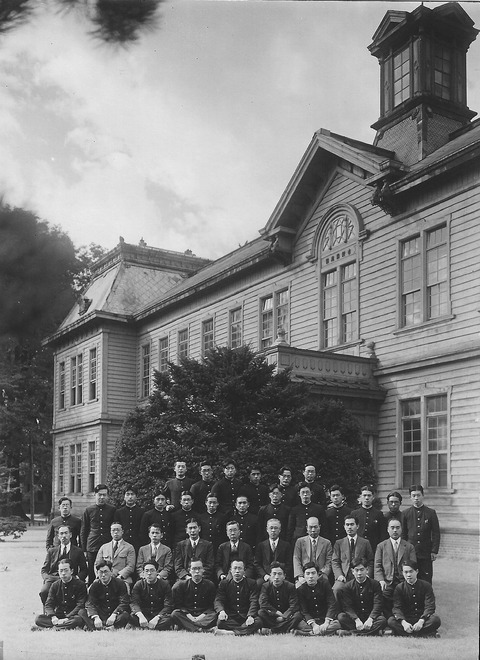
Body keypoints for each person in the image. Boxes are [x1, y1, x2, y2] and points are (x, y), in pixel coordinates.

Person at [374, 518, 416, 618]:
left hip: (403, 581)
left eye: (397, 528)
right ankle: (388, 620)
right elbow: (377, 565)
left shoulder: (409, 547)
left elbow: (413, 566)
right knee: (382, 595)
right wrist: (380, 580)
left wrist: (408, 580)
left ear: (401, 529)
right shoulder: (381, 546)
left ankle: (404, 619)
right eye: (392, 528)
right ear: (387, 529)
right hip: (387, 581)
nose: (395, 530)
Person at [388, 561, 441, 637]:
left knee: (435, 620)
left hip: (422, 619)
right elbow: (397, 608)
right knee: (391, 621)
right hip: (407, 619)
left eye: (411, 571)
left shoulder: (426, 586)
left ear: (417, 571)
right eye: (406, 572)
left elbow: (430, 606)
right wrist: (404, 623)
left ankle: (407, 634)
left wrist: (421, 621)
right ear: (402, 573)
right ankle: (424, 634)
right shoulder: (399, 588)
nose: (408, 575)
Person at [337, 557, 387, 636]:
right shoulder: (348, 586)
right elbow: (347, 606)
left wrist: (370, 619)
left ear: (367, 570)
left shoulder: (375, 584)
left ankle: (350, 633)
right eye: (356, 570)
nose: (359, 573)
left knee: (382, 620)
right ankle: (375, 632)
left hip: (369, 617)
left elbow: (378, 603)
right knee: (341, 617)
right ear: (352, 571)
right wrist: (356, 620)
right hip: (356, 618)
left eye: (362, 570)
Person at [34, 559, 89, 630]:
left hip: (73, 616)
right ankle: (60, 627)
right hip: (58, 616)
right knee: (38, 619)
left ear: (71, 571)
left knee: (78, 620)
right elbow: (48, 604)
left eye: (66, 570)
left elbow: (80, 605)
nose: (63, 573)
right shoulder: (55, 585)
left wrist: (67, 618)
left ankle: (52, 628)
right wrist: (53, 617)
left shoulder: (80, 585)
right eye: (61, 571)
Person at [40, 524, 88, 605]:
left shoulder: (78, 551)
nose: (64, 536)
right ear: (58, 536)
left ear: (71, 535)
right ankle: (50, 610)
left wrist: (77, 577)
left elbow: (84, 570)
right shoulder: (52, 551)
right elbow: (44, 570)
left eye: (66, 533)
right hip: (54, 579)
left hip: (71, 579)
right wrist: (47, 578)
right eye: (61, 534)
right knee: (44, 591)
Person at [402, 485, 440, 583]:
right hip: (411, 552)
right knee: (411, 578)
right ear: (410, 497)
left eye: (418, 495)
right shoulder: (406, 513)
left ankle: (426, 598)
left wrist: (434, 551)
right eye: (413, 495)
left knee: (426, 579)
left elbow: (436, 533)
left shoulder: (430, 513)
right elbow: (403, 534)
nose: (416, 498)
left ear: (423, 496)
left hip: (426, 552)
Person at [214, 559, 261, 635]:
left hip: (245, 616)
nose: (237, 571)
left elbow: (254, 601)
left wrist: (250, 616)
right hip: (231, 617)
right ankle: (246, 630)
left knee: (258, 622)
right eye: (235, 568)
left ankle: (231, 632)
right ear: (230, 570)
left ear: (244, 571)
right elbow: (219, 599)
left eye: (240, 568)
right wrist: (221, 611)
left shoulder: (251, 583)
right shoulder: (224, 583)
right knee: (220, 622)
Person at [332, 515, 374, 602]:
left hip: (360, 575)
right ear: (344, 527)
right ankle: (338, 613)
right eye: (347, 525)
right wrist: (339, 575)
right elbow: (335, 561)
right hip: (344, 577)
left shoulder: (365, 542)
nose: (349, 527)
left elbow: (371, 561)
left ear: (357, 526)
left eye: (352, 524)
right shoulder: (339, 543)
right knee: (336, 589)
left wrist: (367, 574)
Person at [81, 483, 116, 585]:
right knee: (92, 572)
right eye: (99, 494)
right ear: (95, 495)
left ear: (107, 496)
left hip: (107, 545)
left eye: (104, 495)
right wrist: (84, 549)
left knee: (107, 570)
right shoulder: (88, 510)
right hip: (93, 545)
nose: (102, 497)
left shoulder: (112, 510)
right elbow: (84, 530)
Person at [171, 558, 217, 632]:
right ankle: (200, 629)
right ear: (189, 570)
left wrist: (201, 616)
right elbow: (179, 605)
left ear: (203, 570)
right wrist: (189, 616)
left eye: (199, 568)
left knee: (215, 615)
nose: (197, 571)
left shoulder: (210, 585)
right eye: (194, 569)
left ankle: (187, 626)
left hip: (203, 616)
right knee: (175, 614)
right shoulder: (181, 585)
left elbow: (211, 606)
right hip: (187, 615)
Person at [295, 562, 340, 636]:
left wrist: (326, 623)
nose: (311, 576)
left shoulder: (325, 584)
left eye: (313, 573)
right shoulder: (301, 589)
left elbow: (331, 604)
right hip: (310, 622)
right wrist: (314, 625)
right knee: (299, 624)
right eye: (308, 574)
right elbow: (304, 611)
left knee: (337, 624)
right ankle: (326, 632)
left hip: (324, 619)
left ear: (318, 574)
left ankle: (309, 634)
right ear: (304, 575)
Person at [258, 562, 302, 634]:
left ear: (284, 576)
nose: (276, 577)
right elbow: (263, 603)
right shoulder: (265, 586)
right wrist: (276, 613)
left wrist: (284, 616)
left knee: (298, 615)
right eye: (274, 574)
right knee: (261, 612)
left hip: (287, 616)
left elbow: (294, 605)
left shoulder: (290, 586)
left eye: (279, 574)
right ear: (270, 575)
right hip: (272, 616)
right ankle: (285, 629)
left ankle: (272, 631)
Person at [85, 560, 130, 629]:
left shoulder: (120, 583)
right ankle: (104, 627)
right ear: (97, 573)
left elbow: (124, 602)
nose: (103, 575)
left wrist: (114, 614)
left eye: (106, 571)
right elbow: (90, 603)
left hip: (114, 614)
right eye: (100, 572)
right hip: (101, 614)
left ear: (111, 571)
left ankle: (111, 626)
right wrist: (96, 617)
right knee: (82, 612)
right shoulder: (95, 585)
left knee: (125, 615)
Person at [129, 559, 173, 630]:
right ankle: (150, 626)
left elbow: (168, 605)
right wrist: (140, 616)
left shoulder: (165, 585)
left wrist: (157, 618)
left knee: (170, 618)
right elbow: (134, 603)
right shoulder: (139, 584)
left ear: (157, 572)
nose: (149, 573)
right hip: (144, 615)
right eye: (146, 571)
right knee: (130, 616)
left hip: (158, 615)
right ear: (143, 573)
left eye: (152, 570)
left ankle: (145, 627)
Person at [95, 522, 136, 590]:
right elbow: (97, 564)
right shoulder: (104, 547)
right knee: (90, 589)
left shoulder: (129, 547)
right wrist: (101, 576)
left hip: (122, 579)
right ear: (110, 532)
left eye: (118, 530)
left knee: (125, 589)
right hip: (104, 578)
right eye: (113, 530)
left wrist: (119, 576)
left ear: (122, 532)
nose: (116, 532)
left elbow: (130, 566)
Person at [293, 516, 332, 585]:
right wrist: (300, 576)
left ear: (319, 527)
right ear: (307, 528)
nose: (313, 530)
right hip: (304, 577)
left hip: (321, 577)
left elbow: (328, 562)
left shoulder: (327, 543)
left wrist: (321, 575)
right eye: (310, 527)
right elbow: (296, 559)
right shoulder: (300, 542)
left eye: (315, 527)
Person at [254, 518, 293, 585]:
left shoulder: (286, 545)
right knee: (258, 584)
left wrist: (282, 575)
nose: (273, 530)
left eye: (276, 528)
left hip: (281, 576)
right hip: (266, 576)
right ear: (267, 529)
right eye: (271, 528)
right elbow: (257, 564)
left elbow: (289, 564)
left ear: (280, 530)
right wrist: (265, 576)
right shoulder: (261, 545)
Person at [350, 485, 386, 554]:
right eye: (364, 495)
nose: (367, 498)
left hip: (373, 549)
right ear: (360, 497)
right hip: (357, 549)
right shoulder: (354, 513)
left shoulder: (379, 514)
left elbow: (382, 535)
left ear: (373, 497)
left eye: (369, 495)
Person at [114, 486, 145, 551]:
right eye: (128, 494)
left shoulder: (142, 512)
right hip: (123, 544)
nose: (130, 497)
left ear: (136, 497)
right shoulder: (119, 512)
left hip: (138, 544)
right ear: (124, 497)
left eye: (132, 494)